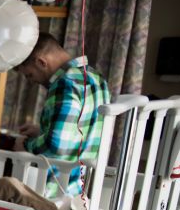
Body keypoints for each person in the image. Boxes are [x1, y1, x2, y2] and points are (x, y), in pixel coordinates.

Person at [11, 31, 111, 197]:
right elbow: (81, 131)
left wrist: (26, 144)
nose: (31, 81)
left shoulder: (64, 83)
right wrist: (42, 131)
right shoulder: (95, 77)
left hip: (55, 188)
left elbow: (57, 145)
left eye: (29, 74)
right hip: (78, 187)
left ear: (41, 62)